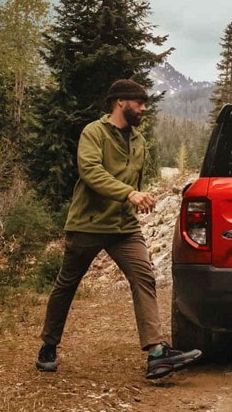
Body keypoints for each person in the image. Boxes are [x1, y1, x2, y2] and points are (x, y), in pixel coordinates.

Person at [35, 79, 202, 380]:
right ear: (120, 103)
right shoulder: (94, 133)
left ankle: (156, 354)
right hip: (87, 224)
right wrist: (129, 193)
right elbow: (90, 172)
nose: (143, 109)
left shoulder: (137, 140)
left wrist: (142, 196)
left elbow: (136, 179)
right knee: (66, 284)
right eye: (138, 103)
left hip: (124, 227)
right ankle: (48, 345)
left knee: (144, 277)